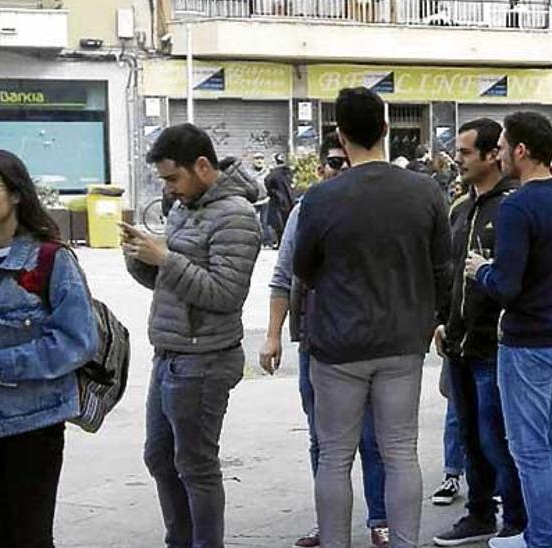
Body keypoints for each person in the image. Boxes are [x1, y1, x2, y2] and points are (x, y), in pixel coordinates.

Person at [294, 88, 453, 548]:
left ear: (340, 137)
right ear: (386, 128)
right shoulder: (425, 191)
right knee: (401, 451)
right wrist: (434, 317)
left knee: (335, 456)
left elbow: (304, 268)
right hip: (403, 340)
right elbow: (442, 266)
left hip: (337, 344)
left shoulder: (321, 197)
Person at [126, 124, 263, 548]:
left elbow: (224, 293)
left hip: (204, 359)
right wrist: (140, 258)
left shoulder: (237, 215)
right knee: (159, 457)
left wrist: (164, 258)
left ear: (202, 166)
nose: (168, 189)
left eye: (172, 178)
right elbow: (173, 284)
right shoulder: (186, 207)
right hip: (169, 352)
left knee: (196, 465)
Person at [0, 149, 99, 548]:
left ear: (16, 193)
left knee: (29, 539)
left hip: (31, 423)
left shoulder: (50, 259)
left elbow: (78, 342)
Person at [467, 111, 552, 548]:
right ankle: (540, 533)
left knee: (530, 448)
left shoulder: (517, 205)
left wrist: (481, 270)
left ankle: (540, 538)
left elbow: (507, 286)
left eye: (502, 147)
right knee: (542, 439)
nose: (499, 154)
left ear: (521, 150)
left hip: (527, 344)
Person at [260, 132, 394, 548]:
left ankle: (380, 519)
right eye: (333, 163)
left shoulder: (379, 209)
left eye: (345, 162)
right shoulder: (307, 210)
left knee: (372, 438)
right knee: (323, 439)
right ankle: (329, 522)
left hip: (371, 342)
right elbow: (283, 275)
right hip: (319, 342)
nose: (341, 170)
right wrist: (272, 336)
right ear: (320, 170)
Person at [431, 118, 527, 546]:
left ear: (493, 155)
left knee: (496, 439)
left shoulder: (515, 207)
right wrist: (441, 319)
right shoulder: (460, 207)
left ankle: (516, 520)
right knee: (470, 436)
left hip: (496, 346)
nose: (458, 159)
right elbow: (450, 273)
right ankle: (479, 513)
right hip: (458, 343)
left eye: (466, 152)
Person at [263, 153, 295, 248]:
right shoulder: (290, 173)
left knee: (279, 225)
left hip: (278, 201)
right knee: (287, 223)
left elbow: (267, 181)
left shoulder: (273, 174)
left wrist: (272, 192)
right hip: (289, 201)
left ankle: (280, 243)